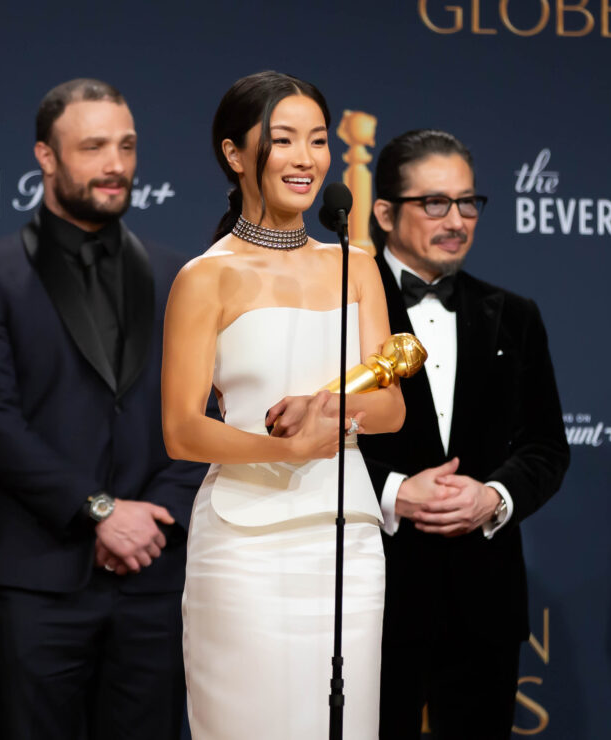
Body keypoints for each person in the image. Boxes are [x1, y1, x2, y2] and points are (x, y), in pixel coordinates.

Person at [0, 79, 209, 739]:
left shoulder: (181, 276)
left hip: (154, 572)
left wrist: (153, 520)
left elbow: (204, 412)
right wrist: (100, 513)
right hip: (40, 577)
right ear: (46, 155)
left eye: (125, 146)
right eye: (92, 147)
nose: (115, 164)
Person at [161, 70, 406, 739]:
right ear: (235, 154)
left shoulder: (356, 263)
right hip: (245, 545)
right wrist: (283, 448)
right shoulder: (206, 277)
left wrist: (330, 406)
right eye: (283, 140)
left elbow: (391, 409)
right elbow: (182, 432)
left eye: (319, 141)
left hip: (346, 541)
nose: (306, 158)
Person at [356, 129, 570, 738]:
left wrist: (492, 497)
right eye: (435, 203)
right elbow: (308, 445)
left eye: (468, 202)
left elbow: (547, 447)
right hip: (372, 595)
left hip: (485, 600)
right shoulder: (343, 306)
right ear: (385, 212)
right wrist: (396, 491)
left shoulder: (515, 314)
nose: (456, 220)